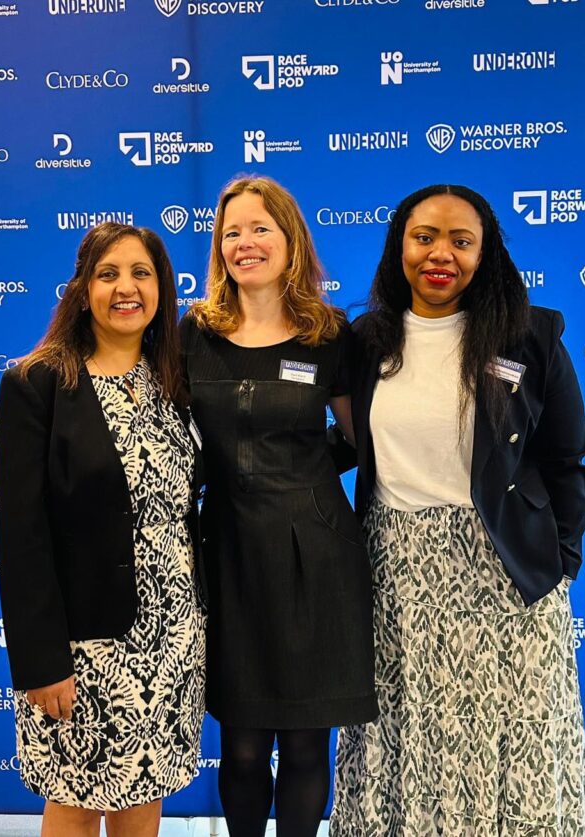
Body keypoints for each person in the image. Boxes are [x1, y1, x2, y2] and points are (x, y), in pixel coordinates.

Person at [330, 184, 585, 835]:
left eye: (460, 240)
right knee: (404, 736)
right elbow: (339, 440)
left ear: (485, 252)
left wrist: (561, 561)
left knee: (510, 747)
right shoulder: (364, 342)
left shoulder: (530, 337)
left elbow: (567, 458)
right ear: (400, 247)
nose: (440, 254)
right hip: (396, 576)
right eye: (424, 237)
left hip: (503, 575)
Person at [180, 175, 377, 837]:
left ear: (291, 242)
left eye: (260, 228)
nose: (246, 242)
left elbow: (359, 438)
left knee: (302, 745)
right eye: (232, 231)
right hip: (229, 552)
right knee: (240, 745)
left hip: (314, 555)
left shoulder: (329, 334)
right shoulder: (194, 332)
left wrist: (306, 471)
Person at [0, 222, 206, 837]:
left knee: (146, 793)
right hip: (85, 648)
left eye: (141, 273)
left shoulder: (176, 381)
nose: (126, 288)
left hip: (173, 638)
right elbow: (21, 536)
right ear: (82, 289)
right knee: (77, 801)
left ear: (162, 289)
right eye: (108, 274)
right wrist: (41, 662)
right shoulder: (38, 383)